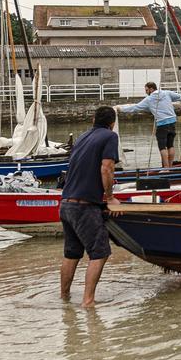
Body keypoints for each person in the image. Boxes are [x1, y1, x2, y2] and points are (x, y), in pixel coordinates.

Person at [59, 106, 120, 307]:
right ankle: (88, 301)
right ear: (112, 123)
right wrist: (110, 197)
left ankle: (64, 297)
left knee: (72, 252)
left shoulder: (83, 137)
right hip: (84, 206)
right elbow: (107, 167)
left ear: (93, 119)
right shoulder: (110, 137)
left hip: (66, 204)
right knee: (100, 252)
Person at [114, 81, 181, 168]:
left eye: (146, 90)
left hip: (162, 124)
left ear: (151, 89)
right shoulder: (166, 93)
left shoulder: (149, 99)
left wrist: (121, 109)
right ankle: (170, 166)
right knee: (170, 145)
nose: (146, 92)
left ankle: (166, 168)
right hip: (172, 121)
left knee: (162, 147)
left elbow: (135, 108)